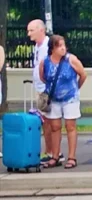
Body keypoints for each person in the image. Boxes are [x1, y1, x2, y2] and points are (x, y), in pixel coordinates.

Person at [39, 35, 87, 169]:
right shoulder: (45, 62)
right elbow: (43, 78)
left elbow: (83, 74)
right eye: (59, 46)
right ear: (52, 48)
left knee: (70, 126)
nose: (63, 48)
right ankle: (55, 156)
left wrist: (75, 88)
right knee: (54, 127)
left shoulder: (70, 59)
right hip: (53, 99)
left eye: (64, 45)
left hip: (70, 98)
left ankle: (72, 157)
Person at [28, 19, 58, 163]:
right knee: (45, 120)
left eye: (31, 30)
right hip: (40, 89)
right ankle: (51, 151)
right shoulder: (37, 47)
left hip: (47, 90)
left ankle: (51, 152)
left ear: (41, 30)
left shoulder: (48, 46)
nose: (29, 34)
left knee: (49, 121)